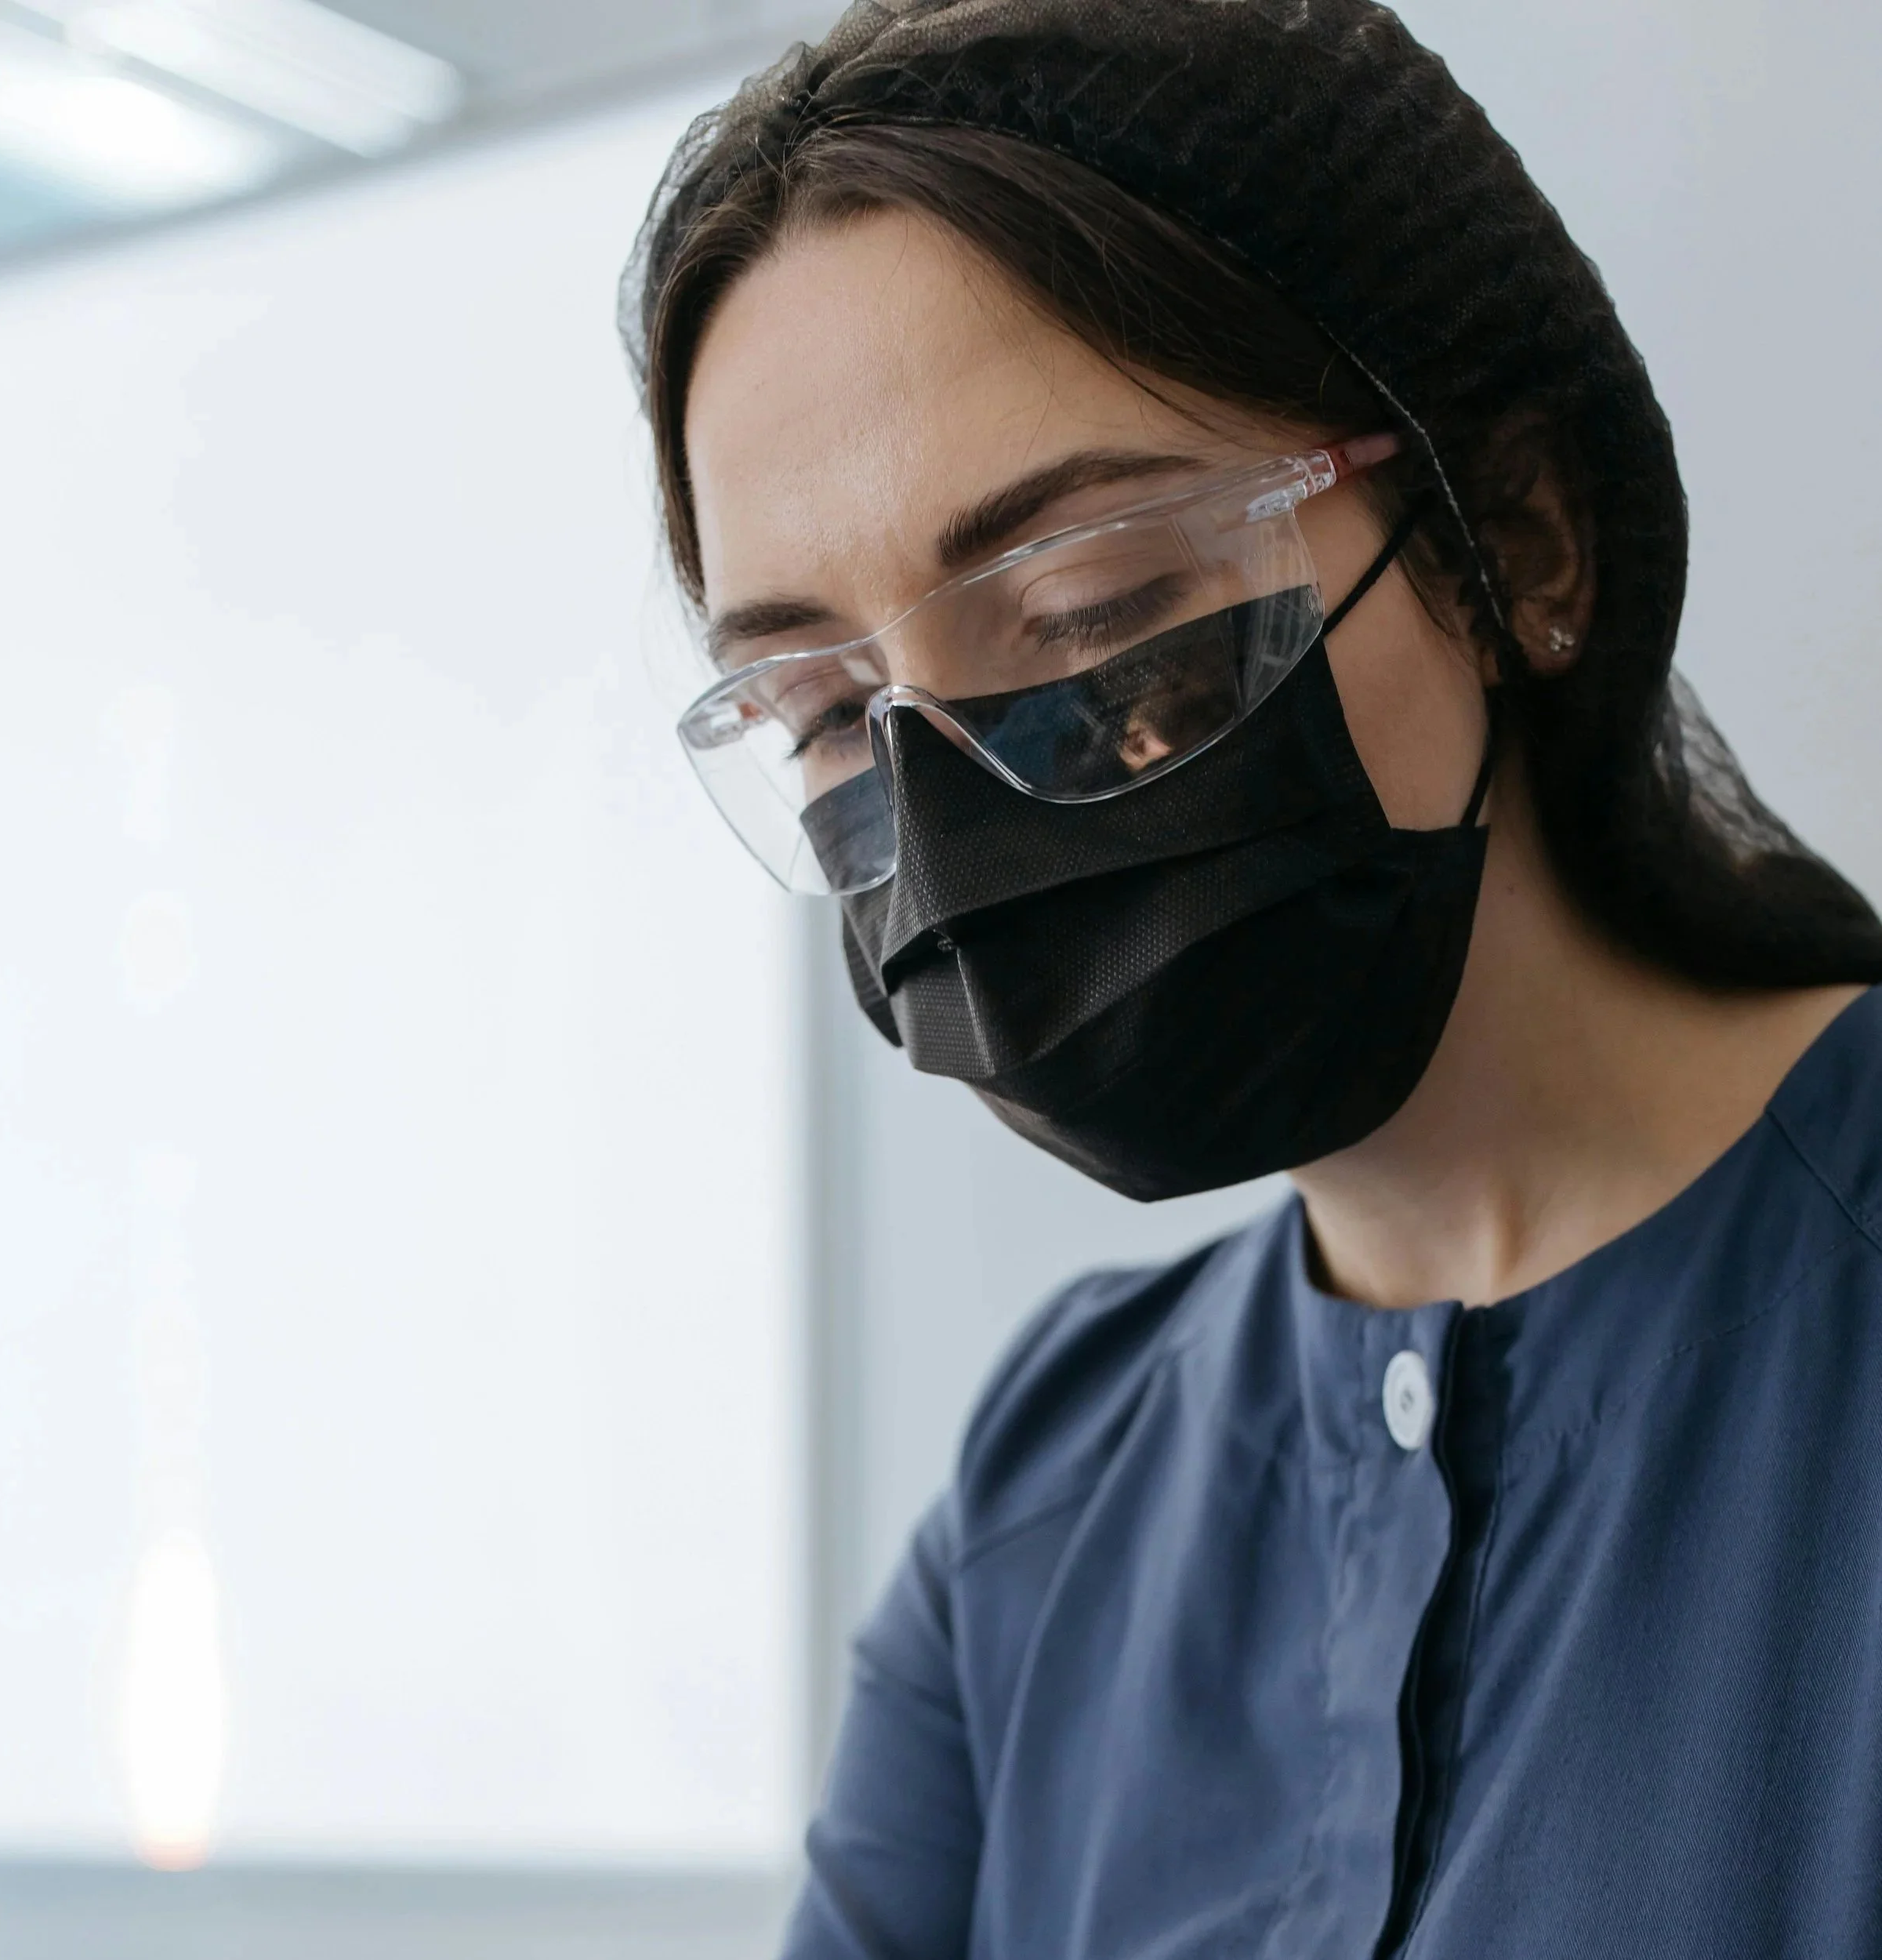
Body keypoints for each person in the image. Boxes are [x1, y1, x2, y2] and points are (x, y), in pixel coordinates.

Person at [622, 2, 1882, 1953]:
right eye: (816, 711)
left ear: (1513, 538)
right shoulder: (1048, 1492)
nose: (947, 818)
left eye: (1093, 609)